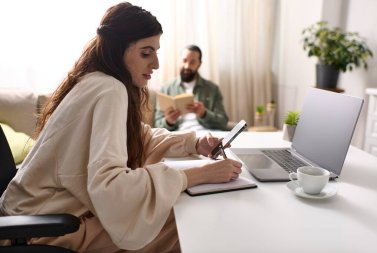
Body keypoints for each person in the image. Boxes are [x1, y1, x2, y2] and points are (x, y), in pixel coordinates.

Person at [0, 2, 242, 253]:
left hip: (30, 218)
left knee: (178, 205)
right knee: (187, 218)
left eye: (156, 52)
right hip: (44, 230)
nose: (156, 64)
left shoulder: (94, 81)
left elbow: (139, 136)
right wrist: (200, 175)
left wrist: (194, 143)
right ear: (118, 49)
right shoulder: (109, 89)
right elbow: (111, 185)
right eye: (146, 53)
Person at [154, 45, 229, 131]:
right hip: (180, 137)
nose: (187, 66)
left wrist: (204, 113)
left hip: (208, 135)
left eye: (192, 62)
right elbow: (157, 124)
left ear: (199, 64)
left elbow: (223, 122)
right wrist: (168, 121)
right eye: (184, 60)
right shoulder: (166, 89)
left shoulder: (212, 89)